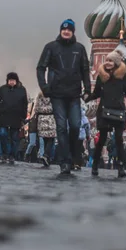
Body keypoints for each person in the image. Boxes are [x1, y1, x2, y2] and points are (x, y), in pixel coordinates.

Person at [36, 19, 91, 175]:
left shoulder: (79, 49)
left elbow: (85, 70)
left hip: (74, 94)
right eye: (64, 29)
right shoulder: (51, 47)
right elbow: (41, 67)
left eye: (69, 30)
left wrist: (87, 89)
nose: (66, 32)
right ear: (61, 31)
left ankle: (74, 155)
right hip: (57, 94)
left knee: (75, 126)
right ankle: (64, 162)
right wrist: (45, 87)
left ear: (73, 32)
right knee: (61, 127)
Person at [89, 50, 126, 178]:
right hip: (104, 111)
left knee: (119, 139)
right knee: (102, 139)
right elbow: (97, 93)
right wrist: (86, 97)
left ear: (116, 62)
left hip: (118, 111)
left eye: (111, 60)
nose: (108, 63)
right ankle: (95, 165)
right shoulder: (102, 76)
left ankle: (121, 167)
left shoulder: (123, 77)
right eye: (107, 60)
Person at [0, 72, 28, 164]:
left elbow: (24, 103)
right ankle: (5, 153)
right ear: (7, 81)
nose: (11, 82)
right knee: (2, 134)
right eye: (10, 80)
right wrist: (0, 110)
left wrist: (23, 115)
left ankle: (12, 155)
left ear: (16, 81)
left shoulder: (22, 89)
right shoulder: (3, 89)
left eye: (13, 80)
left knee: (15, 138)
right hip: (4, 116)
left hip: (16, 117)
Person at [33, 91, 56, 168]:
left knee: (45, 138)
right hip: (51, 118)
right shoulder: (54, 96)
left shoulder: (39, 96)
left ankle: (47, 158)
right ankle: (46, 155)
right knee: (51, 138)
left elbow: (36, 108)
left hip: (41, 118)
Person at [75, 106, 91, 170]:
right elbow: (87, 127)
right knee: (78, 149)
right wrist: (87, 135)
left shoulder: (72, 115)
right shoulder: (84, 118)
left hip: (74, 134)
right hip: (81, 135)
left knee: (73, 148)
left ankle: (73, 162)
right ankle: (78, 163)